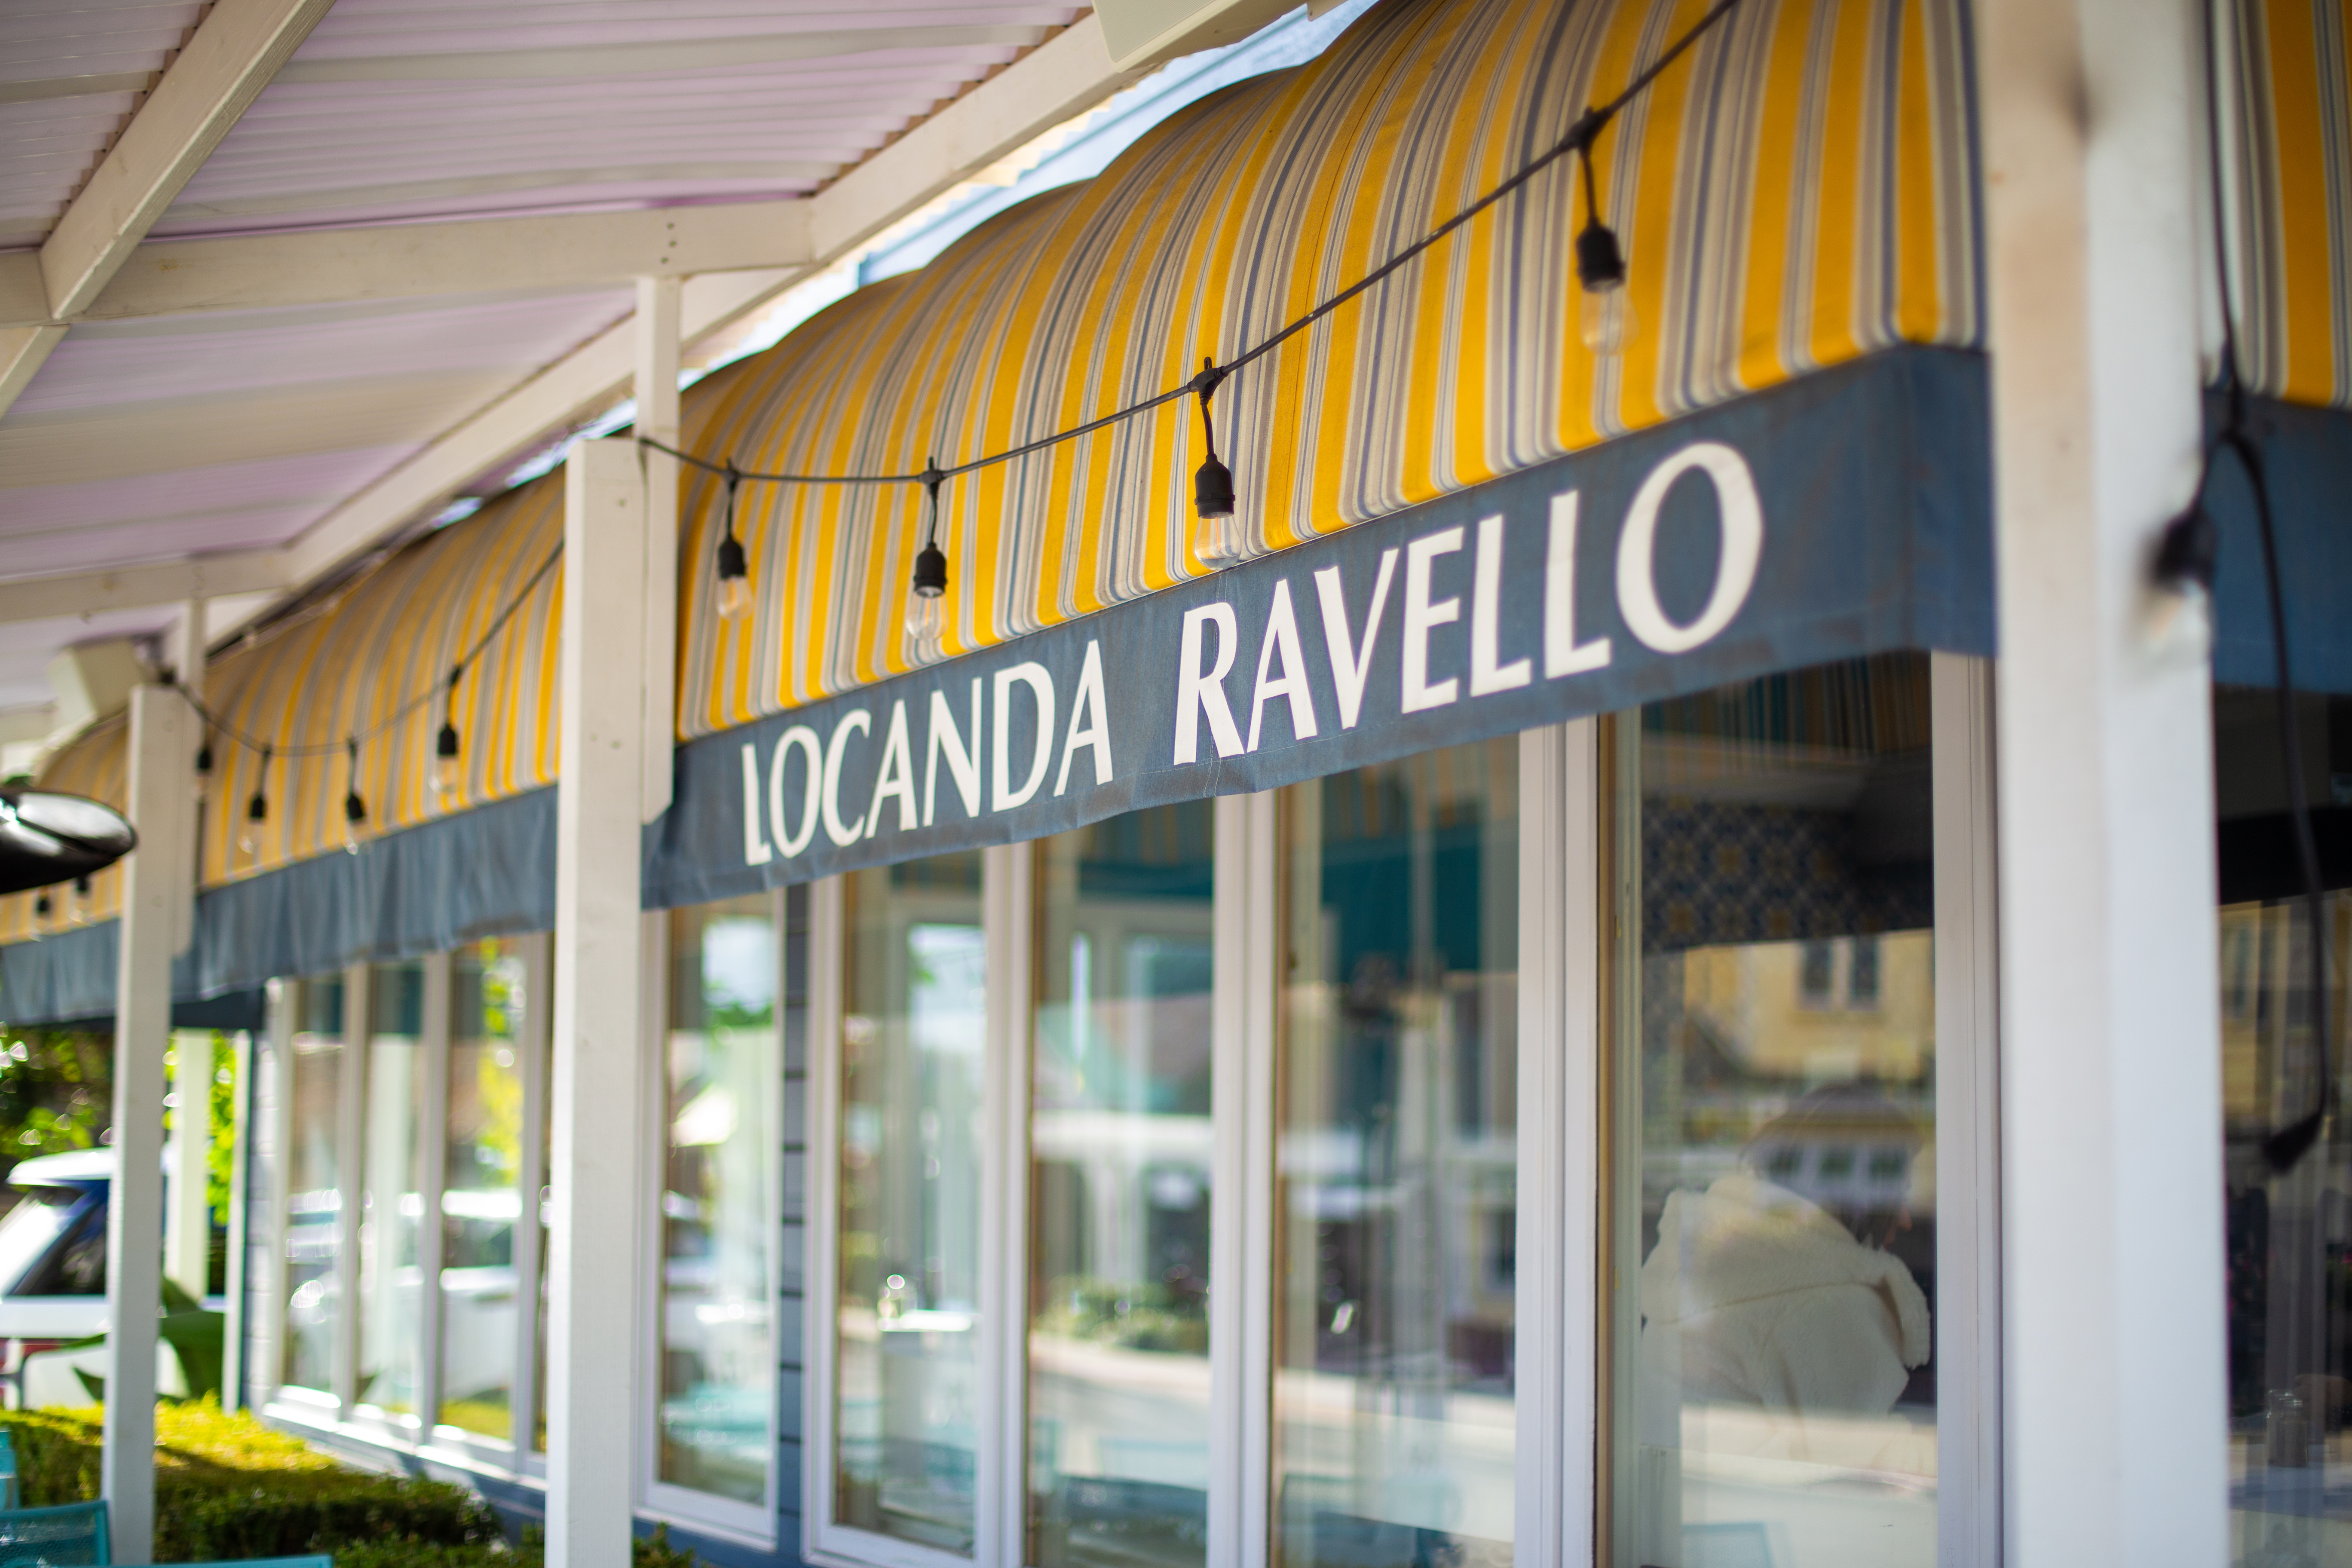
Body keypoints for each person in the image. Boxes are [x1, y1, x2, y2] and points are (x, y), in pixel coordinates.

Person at [1638, 1083, 1931, 1448]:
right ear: (1859, 1197)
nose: (1905, 1219)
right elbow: (1868, 1464)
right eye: (1897, 1195)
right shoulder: (1826, 1303)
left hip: (1668, 1492)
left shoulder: (1710, 1254)